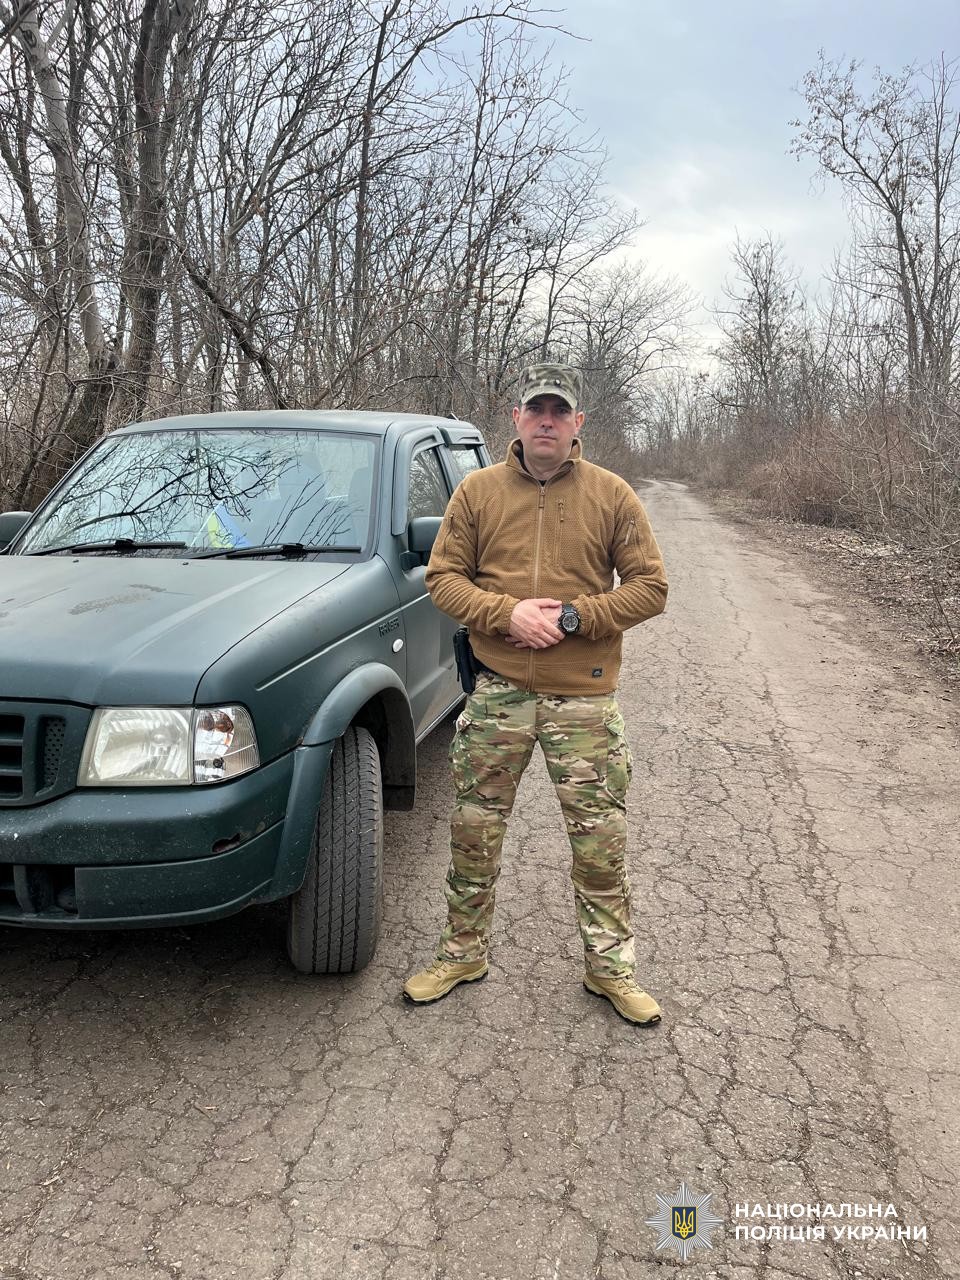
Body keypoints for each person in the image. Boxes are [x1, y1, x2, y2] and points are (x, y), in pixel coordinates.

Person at [402, 363, 668, 1025]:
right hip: (498, 694)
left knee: (599, 843)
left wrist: (576, 617)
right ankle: (463, 952)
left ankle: (610, 971)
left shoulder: (611, 495)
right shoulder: (478, 494)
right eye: (535, 409)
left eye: (559, 411)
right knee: (473, 833)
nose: (546, 420)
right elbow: (443, 579)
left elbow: (651, 587)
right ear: (516, 419)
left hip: (584, 701)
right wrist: (505, 614)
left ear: (577, 423)